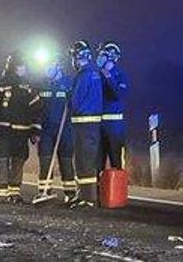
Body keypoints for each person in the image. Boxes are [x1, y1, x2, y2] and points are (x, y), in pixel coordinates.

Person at [0, 52, 42, 204]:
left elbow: (36, 110)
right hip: (5, 131)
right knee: (3, 160)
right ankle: (1, 193)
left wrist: (36, 130)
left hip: (21, 132)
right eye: (22, 66)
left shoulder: (28, 87)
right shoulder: (1, 85)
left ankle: (14, 193)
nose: (24, 69)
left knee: (18, 161)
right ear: (15, 66)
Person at [33, 53, 77, 203]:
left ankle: (70, 194)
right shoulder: (41, 84)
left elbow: (76, 104)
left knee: (66, 162)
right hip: (45, 131)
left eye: (49, 66)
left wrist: (71, 100)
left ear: (58, 66)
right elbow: (36, 108)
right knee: (45, 161)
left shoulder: (69, 83)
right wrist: (35, 129)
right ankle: (43, 192)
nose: (46, 69)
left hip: (65, 129)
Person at [68, 40, 104, 209]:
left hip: (83, 124)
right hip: (92, 124)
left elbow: (76, 101)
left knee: (84, 161)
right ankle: (82, 195)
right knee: (87, 160)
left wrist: (69, 98)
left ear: (78, 57)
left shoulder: (83, 75)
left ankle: (87, 199)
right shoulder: (95, 73)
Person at [97, 41, 129, 170]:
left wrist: (108, 77)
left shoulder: (121, 75)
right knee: (97, 164)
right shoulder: (96, 75)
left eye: (102, 54)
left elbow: (118, 95)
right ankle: (98, 183)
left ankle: (117, 184)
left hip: (115, 128)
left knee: (116, 163)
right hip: (99, 126)